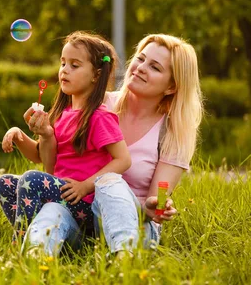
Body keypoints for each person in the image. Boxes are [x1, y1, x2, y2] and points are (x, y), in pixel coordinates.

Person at [22, 34, 203, 256]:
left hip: (137, 226)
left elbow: (157, 199)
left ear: (171, 87)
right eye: (140, 58)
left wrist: (155, 205)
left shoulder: (172, 133)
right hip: (84, 220)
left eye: (155, 67)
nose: (141, 68)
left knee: (108, 180)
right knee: (51, 210)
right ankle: (32, 260)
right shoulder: (96, 104)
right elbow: (56, 163)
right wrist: (45, 135)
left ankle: (123, 257)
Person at [0, 31, 131, 240]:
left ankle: (21, 243)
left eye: (74, 65)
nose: (64, 71)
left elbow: (123, 160)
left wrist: (85, 185)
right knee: (5, 183)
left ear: (96, 74)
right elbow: (42, 159)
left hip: (83, 202)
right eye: (63, 63)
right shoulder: (61, 114)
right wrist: (19, 135)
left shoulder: (99, 117)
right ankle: (41, 236)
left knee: (31, 179)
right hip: (59, 195)